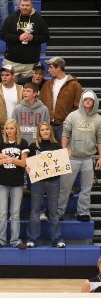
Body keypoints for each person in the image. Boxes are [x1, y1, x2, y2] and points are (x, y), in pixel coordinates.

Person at [58, 90, 101, 222]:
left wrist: (100, 157)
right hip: (72, 157)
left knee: (86, 189)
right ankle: (59, 212)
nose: (88, 102)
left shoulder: (98, 119)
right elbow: (65, 134)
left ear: (94, 102)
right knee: (64, 187)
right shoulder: (73, 116)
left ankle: (83, 212)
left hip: (88, 158)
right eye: (85, 99)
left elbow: (99, 140)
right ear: (82, 101)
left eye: (90, 100)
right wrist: (64, 150)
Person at [25, 122, 64, 248]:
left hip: (54, 181)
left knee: (53, 211)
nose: (45, 131)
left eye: (47, 129)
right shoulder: (33, 146)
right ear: (39, 133)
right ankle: (32, 238)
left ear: (51, 131)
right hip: (38, 181)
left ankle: (57, 239)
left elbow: (61, 164)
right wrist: (27, 168)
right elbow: (27, 164)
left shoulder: (57, 146)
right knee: (35, 210)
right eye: (42, 130)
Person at [0, 119, 28, 249]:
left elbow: (23, 163)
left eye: (11, 128)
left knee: (15, 213)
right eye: (7, 128)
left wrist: (8, 158)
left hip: (17, 183)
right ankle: (0, 239)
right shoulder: (0, 143)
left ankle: (15, 240)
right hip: (2, 182)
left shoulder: (22, 143)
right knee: (2, 212)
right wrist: (2, 160)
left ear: (16, 129)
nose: (9, 131)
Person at [0, 0, 50, 79]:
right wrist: (18, 38)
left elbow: (46, 37)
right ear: (19, 5)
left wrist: (33, 38)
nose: (24, 7)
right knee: (8, 86)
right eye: (22, 5)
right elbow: (3, 35)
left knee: (29, 87)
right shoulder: (11, 18)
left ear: (32, 5)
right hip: (12, 61)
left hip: (31, 63)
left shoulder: (39, 20)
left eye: (27, 5)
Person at [39, 56, 82, 141]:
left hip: (65, 126)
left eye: (51, 67)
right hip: (48, 126)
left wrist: (69, 123)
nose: (48, 70)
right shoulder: (47, 85)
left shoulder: (74, 85)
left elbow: (78, 108)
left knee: (64, 149)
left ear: (58, 68)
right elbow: (40, 103)